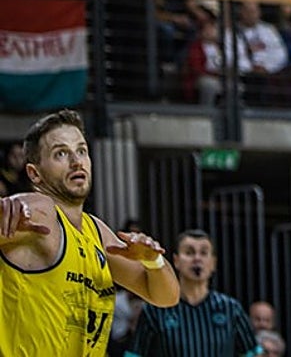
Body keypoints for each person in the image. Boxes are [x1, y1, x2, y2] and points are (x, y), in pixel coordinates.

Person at [0, 109, 180, 355]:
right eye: (61, 153)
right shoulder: (40, 212)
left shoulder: (96, 231)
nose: (76, 161)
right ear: (35, 174)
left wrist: (153, 260)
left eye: (81, 150)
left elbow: (166, 297)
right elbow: (20, 208)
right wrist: (10, 207)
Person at [123, 228, 259, 357]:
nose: (197, 259)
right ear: (176, 261)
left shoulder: (231, 308)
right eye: (189, 252)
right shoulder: (155, 310)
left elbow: (253, 353)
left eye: (204, 253)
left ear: (213, 263)